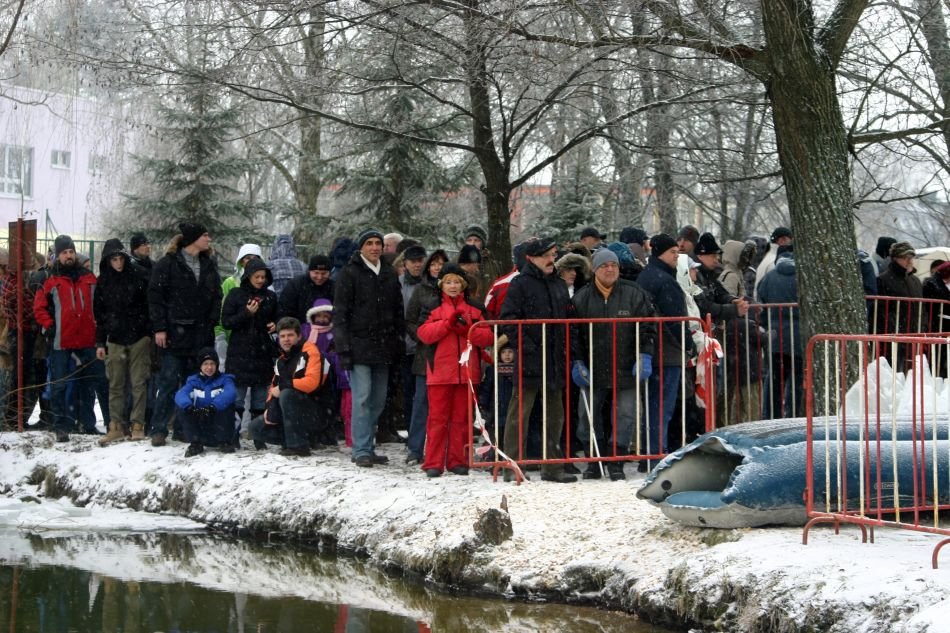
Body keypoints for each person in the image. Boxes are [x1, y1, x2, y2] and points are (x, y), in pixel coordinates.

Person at [571, 249, 656, 481]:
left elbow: (648, 327)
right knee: (587, 415)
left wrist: (644, 355)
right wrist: (577, 361)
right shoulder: (581, 298)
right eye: (604, 265)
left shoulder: (634, 293)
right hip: (593, 368)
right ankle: (594, 460)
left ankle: (616, 460)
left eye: (614, 265)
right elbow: (573, 334)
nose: (610, 269)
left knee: (626, 415)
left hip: (626, 367)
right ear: (594, 270)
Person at [500, 237, 577, 483]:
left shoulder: (558, 284)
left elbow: (569, 318)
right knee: (519, 415)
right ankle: (512, 466)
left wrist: (567, 346)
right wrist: (528, 346)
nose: (551, 259)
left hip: (554, 357)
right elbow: (509, 319)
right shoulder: (520, 284)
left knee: (555, 414)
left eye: (553, 254)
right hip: (531, 358)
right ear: (531, 258)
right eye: (546, 255)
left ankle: (552, 466)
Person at [333, 228, 405, 467]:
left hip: (384, 347)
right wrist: (344, 348)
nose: (374, 247)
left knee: (378, 400)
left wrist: (398, 341)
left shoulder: (388, 272)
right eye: (369, 243)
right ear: (361, 247)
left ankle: (368, 445)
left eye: (378, 243)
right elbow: (340, 314)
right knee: (361, 398)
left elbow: (397, 310)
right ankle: (361, 448)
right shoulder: (349, 273)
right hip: (358, 346)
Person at [148, 222, 222, 446]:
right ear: (193, 239)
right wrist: (160, 328)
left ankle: (183, 428)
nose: (209, 239)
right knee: (168, 383)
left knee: (193, 384)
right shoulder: (167, 264)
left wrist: (211, 321)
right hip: (174, 335)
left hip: (200, 335)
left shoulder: (208, 265)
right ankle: (159, 429)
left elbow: (216, 296)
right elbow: (156, 297)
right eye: (205, 235)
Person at [416, 263, 494, 477]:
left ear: (463, 285)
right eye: (448, 282)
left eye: (457, 282)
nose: (453, 286)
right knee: (437, 419)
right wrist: (447, 325)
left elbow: (488, 337)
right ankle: (433, 463)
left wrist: (467, 330)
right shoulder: (431, 306)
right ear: (441, 285)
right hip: (440, 372)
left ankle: (458, 460)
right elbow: (424, 334)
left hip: (468, 372)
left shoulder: (476, 307)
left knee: (462, 419)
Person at [33, 235, 103, 441]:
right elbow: (39, 308)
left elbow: (100, 304)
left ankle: (87, 423)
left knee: (89, 384)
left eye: (71, 252)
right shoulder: (50, 280)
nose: (69, 256)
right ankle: (61, 425)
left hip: (88, 339)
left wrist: (99, 327)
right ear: (57, 256)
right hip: (61, 341)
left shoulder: (89, 278)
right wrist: (49, 326)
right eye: (64, 252)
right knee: (59, 384)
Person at [635, 234, 692, 458]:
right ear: (660, 253)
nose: (677, 256)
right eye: (672, 252)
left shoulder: (646, 275)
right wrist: (688, 344)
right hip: (667, 350)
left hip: (651, 348)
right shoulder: (665, 281)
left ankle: (650, 449)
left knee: (652, 404)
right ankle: (657, 450)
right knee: (662, 406)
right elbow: (676, 319)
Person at [94, 239, 152, 444]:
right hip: (115, 337)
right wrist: (100, 343)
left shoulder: (139, 276)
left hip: (138, 337)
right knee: (116, 384)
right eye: (114, 260)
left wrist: (147, 331)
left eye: (120, 258)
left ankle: (138, 425)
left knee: (138, 383)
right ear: (107, 261)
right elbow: (100, 315)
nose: (118, 263)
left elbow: (149, 306)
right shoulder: (103, 282)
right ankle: (116, 425)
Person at [247, 317, 327, 456]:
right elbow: (273, 389)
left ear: (299, 336)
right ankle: (292, 440)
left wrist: (284, 386)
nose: (286, 339)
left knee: (287, 394)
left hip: (314, 409)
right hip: (288, 411)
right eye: (282, 336)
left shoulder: (311, 352)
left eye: (290, 335)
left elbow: (311, 383)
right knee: (254, 428)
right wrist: (270, 410)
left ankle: (299, 445)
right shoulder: (281, 360)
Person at [220, 258, 278, 445]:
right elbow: (226, 322)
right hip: (240, 352)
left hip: (262, 352)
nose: (261, 280)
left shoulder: (270, 297)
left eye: (263, 277)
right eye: (257, 277)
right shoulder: (236, 294)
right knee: (236, 398)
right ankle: (232, 436)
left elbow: (278, 317)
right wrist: (246, 314)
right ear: (248, 276)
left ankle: (258, 436)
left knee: (260, 400)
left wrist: (275, 324)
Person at [404, 249, 448, 465]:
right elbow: (410, 320)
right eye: (433, 264)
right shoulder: (421, 290)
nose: (437, 267)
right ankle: (415, 448)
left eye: (441, 263)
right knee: (421, 402)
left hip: (450, 354)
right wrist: (422, 335)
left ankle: (445, 448)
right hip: (426, 354)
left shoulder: (455, 288)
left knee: (447, 406)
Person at [1, 252, 50, 429]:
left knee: (33, 376)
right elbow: (24, 309)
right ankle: (14, 418)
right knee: (20, 377)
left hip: (32, 335)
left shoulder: (29, 280)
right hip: (23, 334)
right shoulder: (15, 282)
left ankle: (20, 417)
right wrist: (39, 315)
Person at [757, 245, 803, 418]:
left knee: (774, 379)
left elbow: (760, 305)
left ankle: (771, 416)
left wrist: (767, 325)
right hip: (799, 337)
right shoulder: (803, 277)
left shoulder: (769, 277)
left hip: (776, 337)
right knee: (797, 380)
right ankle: (793, 416)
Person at [174, 348, 237, 457]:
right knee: (182, 408)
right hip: (201, 425)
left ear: (217, 365)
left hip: (220, 426)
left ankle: (224, 442)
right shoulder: (193, 381)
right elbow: (181, 394)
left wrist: (213, 407)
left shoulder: (225, 380)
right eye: (205, 364)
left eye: (212, 363)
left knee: (227, 406)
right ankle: (196, 443)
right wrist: (189, 407)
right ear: (200, 366)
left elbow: (230, 393)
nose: (209, 367)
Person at [875, 241, 923, 371]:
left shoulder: (915, 281)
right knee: (893, 372)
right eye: (906, 258)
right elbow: (881, 311)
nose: (910, 261)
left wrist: (921, 327)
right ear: (895, 258)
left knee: (912, 374)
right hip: (894, 336)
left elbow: (922, 309)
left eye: (911, 258)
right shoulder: (883, 280)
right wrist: (895, 328)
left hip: (914, 335)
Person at [215, 243, 263, 370]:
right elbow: (222, 310)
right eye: (247, 258)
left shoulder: (265, 283)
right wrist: (220, 334)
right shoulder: (230, 282)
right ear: (241, 261)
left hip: (258, 341)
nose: (251, 261)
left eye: (255, 258)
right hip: (233, 338)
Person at [278, 254, 335, 322]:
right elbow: (285, 310)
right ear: (309, 271)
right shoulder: (295, 285)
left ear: (329, 273)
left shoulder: (334, 287)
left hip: (327, 325)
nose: (319, 277)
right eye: (316, 273)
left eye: (324, 273)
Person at [754, 226, 792, 301]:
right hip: (772, 304)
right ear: (782, 240)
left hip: (764, 303)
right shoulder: (775, 261)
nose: (790, 244)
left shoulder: (768, 257)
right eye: (789, 240)